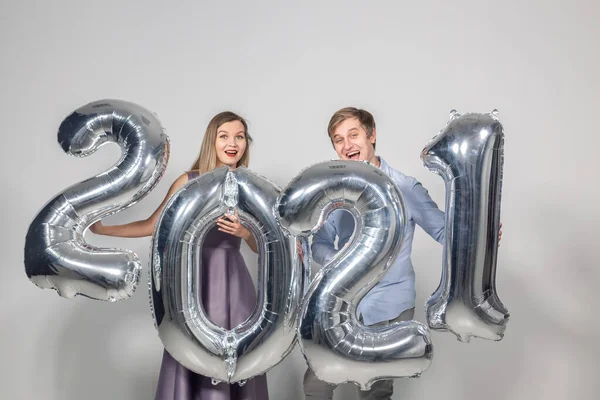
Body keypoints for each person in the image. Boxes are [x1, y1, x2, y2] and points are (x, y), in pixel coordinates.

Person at [303, 107, 502, 400]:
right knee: (316, 384)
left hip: (390, 308)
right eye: (339, 139)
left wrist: (482, 235)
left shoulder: (405, 187)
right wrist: (347, 264)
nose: (347, 145)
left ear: (371, 136)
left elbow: (444, 232)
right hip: (341, 308)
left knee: (376, 391)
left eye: (354, 135)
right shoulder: (337, 193)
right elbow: (318, 245)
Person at [90, 111, 269, 400]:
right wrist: (105, 229)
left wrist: (245, 233)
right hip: (195, 285)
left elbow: (261, 246)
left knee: (237, 359)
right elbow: (153, 225)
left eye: (239, 137)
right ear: (212, 141)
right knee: (192, 353)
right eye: (224, 136)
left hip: (235, 285)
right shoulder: (189, 181)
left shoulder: (249, 186)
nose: (232, 143)